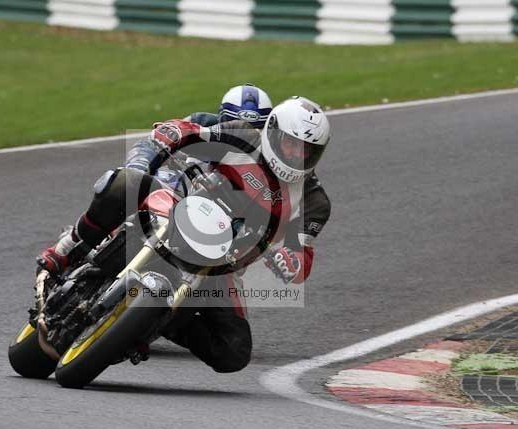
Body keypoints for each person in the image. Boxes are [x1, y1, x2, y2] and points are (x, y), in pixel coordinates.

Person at [38, 93, 331, 373]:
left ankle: (160, 321)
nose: (295, 154)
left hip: (221, 264)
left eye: (306, 150)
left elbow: (301, 253)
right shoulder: (243, 137)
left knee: (233, 351)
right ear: (273, 132)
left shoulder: (314, 201)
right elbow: (184, 133)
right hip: (179, 207)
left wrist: (291, 263)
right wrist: (156, 149)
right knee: (123, 182)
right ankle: (65, 250)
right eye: (291, 144)